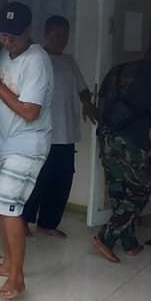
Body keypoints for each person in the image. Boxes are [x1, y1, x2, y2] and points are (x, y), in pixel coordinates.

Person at [0, 1, 53, 300]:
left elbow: (30, 112)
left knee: (10, 209)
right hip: (1, 144)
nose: (7, 41)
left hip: (26, 145)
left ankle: (17, 279)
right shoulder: (4, 54)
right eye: (3, 35)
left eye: (13, 36)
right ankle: (8, 265)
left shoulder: (37, 61)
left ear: (28, 31)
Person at [91, 40, 151, 263]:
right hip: (132, 142)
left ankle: (129, 242)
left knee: (118, 190)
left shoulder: (117, 71)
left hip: (106, 136)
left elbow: (100, 106)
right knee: (141, 190)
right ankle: (106, 237)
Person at [22, 16, 93, 237]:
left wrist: (87, 103)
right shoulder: (36, 59)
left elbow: (82, 88)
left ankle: (48, 223)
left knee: (62, 181)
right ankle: (23, 221)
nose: (62, 39)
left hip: (67, 133)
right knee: (37, 181)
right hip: (42, 133)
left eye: (65, 35)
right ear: (46, 34)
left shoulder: (69, 61)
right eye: (57, 34)